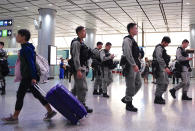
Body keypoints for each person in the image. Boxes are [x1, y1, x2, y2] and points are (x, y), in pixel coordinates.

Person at [1, 29, 56, 123]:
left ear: (23, 37)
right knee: (36, 94)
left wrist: (34, 77)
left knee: (20, 95)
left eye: (18, 35)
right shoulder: (25, 48)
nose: (16, 37)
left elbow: (31, 64)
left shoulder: (26, 49)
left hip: (28, 77)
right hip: (28, 76)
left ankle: (15, 117)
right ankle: (50, 111)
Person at [70, 26, 93, 113]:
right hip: (79, 68)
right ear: (79, 33)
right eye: (83, 31)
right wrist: (78, 70)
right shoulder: (76, 43)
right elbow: (76, 57)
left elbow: (83, 56)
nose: (85, 33)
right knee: (82, 88)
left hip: (82, 67)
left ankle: (68, 101)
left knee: (76, 88)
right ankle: (81, 105)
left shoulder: (82, 43)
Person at [121, 23, 142, 112]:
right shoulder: (127, 40)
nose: (137, 30)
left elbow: (134, 53)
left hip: (135, 65)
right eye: (135, 28)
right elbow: (127, 54)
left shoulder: (132, 40)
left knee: (139, 83)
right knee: (130, 86)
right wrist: (133, 65)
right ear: (131, 29)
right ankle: (128, 105)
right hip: (130, 66)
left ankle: (127, 97)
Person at [153, 36, 171, 104]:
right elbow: (159, 58)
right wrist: (165, 67)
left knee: (165, 83)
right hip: (159, 67)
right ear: (164, 42)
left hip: (163, 67)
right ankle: (157, 98)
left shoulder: (162, 48)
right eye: (167, 43)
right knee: (161, 83)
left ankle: (159, 96)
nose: (167, 45)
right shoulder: (159, 47)